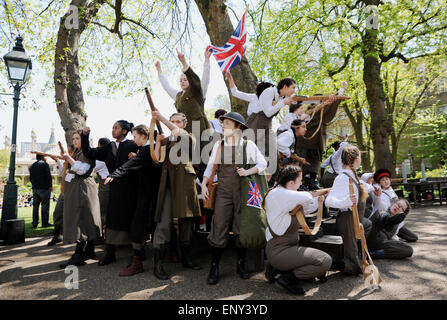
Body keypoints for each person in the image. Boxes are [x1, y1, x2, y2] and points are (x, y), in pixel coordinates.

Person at [202, 112, 267, 285]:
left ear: (238, 128)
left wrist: (247, 171)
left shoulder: (248, 145)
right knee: (219, 225)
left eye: (228, 124)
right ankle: (214, 267)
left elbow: (263, 164)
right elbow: (211, 166)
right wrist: (204, 183)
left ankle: (241, 264)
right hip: (223, 192)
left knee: (241, 227)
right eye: (223, 123)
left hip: (242, 192)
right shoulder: (219, 145)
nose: (223, 126)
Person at [264, 165, 332, 295]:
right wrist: (316, 193)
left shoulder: (285, 195)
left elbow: (307, 208)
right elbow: (306, 197)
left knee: (316, 262)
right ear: (290, 183)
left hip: (284, 250)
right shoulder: (278, 194)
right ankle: (286, 279)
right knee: (325, 261)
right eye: (300, 180)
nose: (301, 183)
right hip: (279, 252)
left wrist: (321, 197)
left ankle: (278, 269)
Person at [151, 111, 202, 280]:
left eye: (178, 121)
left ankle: (186, 259)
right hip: (167, 183)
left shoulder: (188, 136)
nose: (175, 124)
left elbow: (178, 133)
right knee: (163, 223)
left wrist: (162, 118)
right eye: (173, 121)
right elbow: (157, 159)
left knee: (186, 221)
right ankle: (158, 264)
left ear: (184, 124)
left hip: (184, 181)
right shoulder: (168, 141)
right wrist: (159, 142)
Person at [105, 125, 162, 276]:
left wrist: (115, 174)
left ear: (144, 136)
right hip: (146, 194)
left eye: (135, 136)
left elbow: (131, 165)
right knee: (142, 227)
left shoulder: (149, 149)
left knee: (149, 228)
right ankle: (141, 261)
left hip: (150, 195)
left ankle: (154, 264)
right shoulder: (147, 149)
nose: (134, 139)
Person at [81, 120, 139, 266]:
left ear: (125, 131)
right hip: (114, 188)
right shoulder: (108, 147)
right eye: (112, 128)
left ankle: (138, 253)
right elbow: (89, 152)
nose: (113, 130)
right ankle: (110, 253)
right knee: (112, 220)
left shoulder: (133, 145)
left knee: (132, 219)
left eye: (116, 128)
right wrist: (85, 136)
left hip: (131, 188)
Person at [156, 49, 211, 180]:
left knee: (203, 156)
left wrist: (205, 61)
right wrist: (159, 72)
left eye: (185, 79)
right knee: (188, 157)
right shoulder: (178, 96)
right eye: (181, 80)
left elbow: (204, 79)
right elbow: (167, 87)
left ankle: (206, 180)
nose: (182, 81)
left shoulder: (197, 92)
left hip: (200, 130)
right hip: (185, 132)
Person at [226, 71, 297, 173]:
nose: (294, 90)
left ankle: (270, 180)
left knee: (273, 152)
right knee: (246, 150)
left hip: (267, 125)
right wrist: (231, 80)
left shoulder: (281, 98)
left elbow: (300, 101)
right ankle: (236, 173)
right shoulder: (264, 95)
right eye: (293, 87)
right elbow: (236, 93)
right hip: (255, 123)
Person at [324, 145, 380, 275]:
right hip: (347, 219)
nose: (360, 159)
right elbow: (329, 201)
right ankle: (333, 263)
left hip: (356, 218)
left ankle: (352, 260)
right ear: (355, 159)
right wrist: (346, 201)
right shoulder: (342, 178)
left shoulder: (353, 176)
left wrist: (375, 187)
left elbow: (363, 186)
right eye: (359, 156)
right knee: (354, 265)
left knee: (367, 226)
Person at [59, 131, 102, 269]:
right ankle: (89, 251)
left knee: (81, 219)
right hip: (77, 190)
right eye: (74, 138)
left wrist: (69, 159)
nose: (75, 141)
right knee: (85, 218)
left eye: (77, 138)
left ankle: (79, 255)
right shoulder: (77, 153)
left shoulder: (87, 153)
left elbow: (83, 170)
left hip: (82, 190)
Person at [295, 83, 347, 190]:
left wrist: (338, 93)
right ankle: (299, 181)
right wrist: (338, 93)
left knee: (313, 162)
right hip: (304, 143)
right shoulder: (309, 112)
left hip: (316, 142)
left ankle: (311, 180)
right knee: (301, 162)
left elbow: (329, 107)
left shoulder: (321, 111)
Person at [372, 168, 418, 242]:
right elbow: (381, 208)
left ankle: (395, 233)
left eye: (387, 179)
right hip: (387, 221)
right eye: (383, 180)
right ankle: (392, 235)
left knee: (413, 237)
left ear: (390, 180)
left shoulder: (392, 191)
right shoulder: (379, 193)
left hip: (396, 219)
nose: (385, 182)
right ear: (379, 182)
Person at [47, 146, 73, 247]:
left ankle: (74, 236)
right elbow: (61, 173)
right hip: (64, 190)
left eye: (69, 152)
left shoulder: (76, 161)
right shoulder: (65, 162)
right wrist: (57, 161)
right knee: (58, 212)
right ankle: (57, 235)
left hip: (74, 189)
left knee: (73, 214)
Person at [29, 154, 53, 228]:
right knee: (45, 206)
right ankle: (45, 223)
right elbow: (48, 176)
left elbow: (30, 178)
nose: (46, 158)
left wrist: (34, 185)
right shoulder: (45, 164)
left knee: (35, 206)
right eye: (45, 156)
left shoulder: (32, 165)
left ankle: (34, 223)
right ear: (42, 157)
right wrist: (50, 186)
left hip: (35, 189)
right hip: (44, 188)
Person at [94, 137, 111, 231]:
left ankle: (99, 235)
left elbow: (89, 168)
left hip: (105, 189)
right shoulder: (110, 156)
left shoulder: (101, 161)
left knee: (102, 213)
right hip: (110, 187)